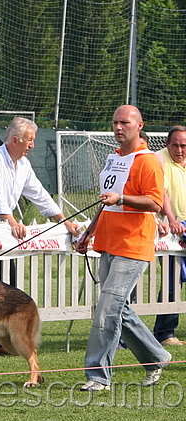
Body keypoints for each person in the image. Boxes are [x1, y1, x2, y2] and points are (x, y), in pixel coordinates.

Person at [0, 116, 79, 357]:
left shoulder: (23, 165)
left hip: (2, 229)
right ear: (15, 140)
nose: (32, 145)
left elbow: (39, 194)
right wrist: (12, 221)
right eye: (30, 140)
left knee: (4, 284)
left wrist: (63, 220)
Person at [76, 105, 172, 392]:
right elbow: (107, 202)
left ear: (139, 126)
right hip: (107, 241)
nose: (119, 128)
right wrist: (89, 232)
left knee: (107, 308)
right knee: (119, 308)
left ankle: (97, 376)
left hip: (134, 244)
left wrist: (122, 198)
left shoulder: (148, 161)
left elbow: (155, 203)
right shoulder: (114, 158)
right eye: (115, 122)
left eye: (125, 123)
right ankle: (156, 357)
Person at [153, 126, 186, 346]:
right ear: (167, 144)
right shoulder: (159, 160)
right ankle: (165, 333)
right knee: (172, 282)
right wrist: (172, 220)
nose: (180, 150)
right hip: (169, 231)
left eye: (184, 145)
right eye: (175, 145)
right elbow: (161, 192)